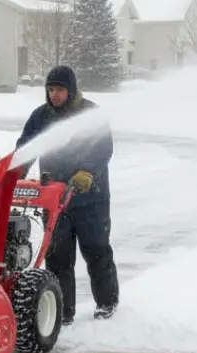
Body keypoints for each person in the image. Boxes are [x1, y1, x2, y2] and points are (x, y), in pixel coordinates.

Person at [15, 64, 119, 324]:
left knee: (96, 250)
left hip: (90, 198)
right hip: (55, 199)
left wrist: (87, 171)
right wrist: (14, 170)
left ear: (70, 89)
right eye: (50, 89)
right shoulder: (41, 117)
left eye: (60, 89)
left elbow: (103, 148)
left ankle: (107, 304)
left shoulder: (90, 114)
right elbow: (27, 146)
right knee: (58, 257)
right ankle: (63, 312)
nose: (55, 95)